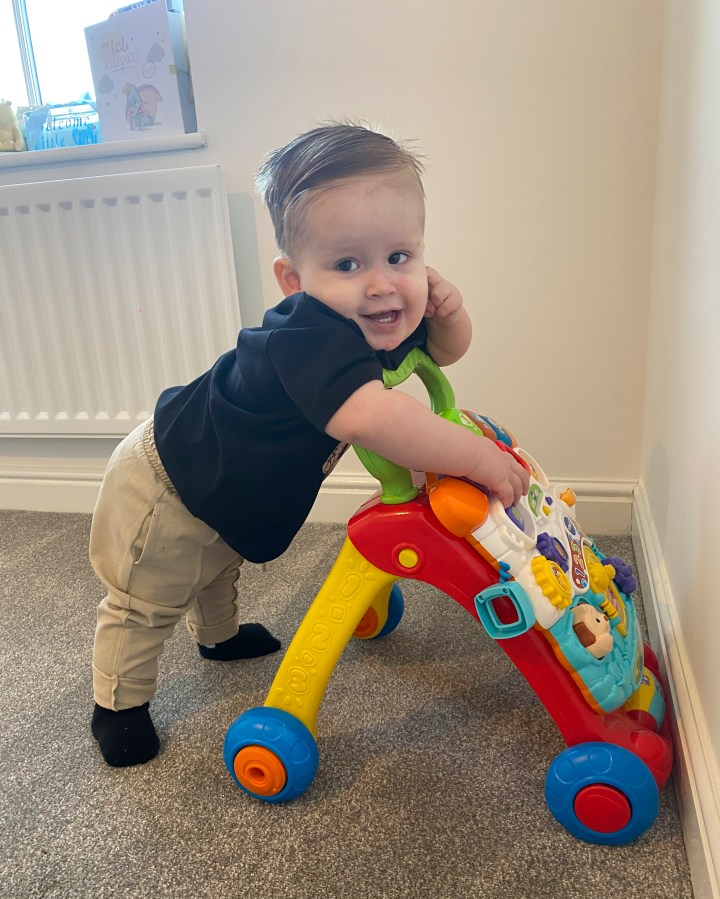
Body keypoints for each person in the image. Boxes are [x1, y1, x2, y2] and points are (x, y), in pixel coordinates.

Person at [89, 122, 529, 768]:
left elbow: (440, 354)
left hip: (229, 478)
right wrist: (477, 459)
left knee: (220, 557)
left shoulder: (373, 319)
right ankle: (117, 705)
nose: (381, 284)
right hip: (167, 478)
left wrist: (450, 312)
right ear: (294, 280)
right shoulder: (309, 335)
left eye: (399, 258)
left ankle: (218, 636)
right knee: (149, 596)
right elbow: (375, 419)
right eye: (348, 264)